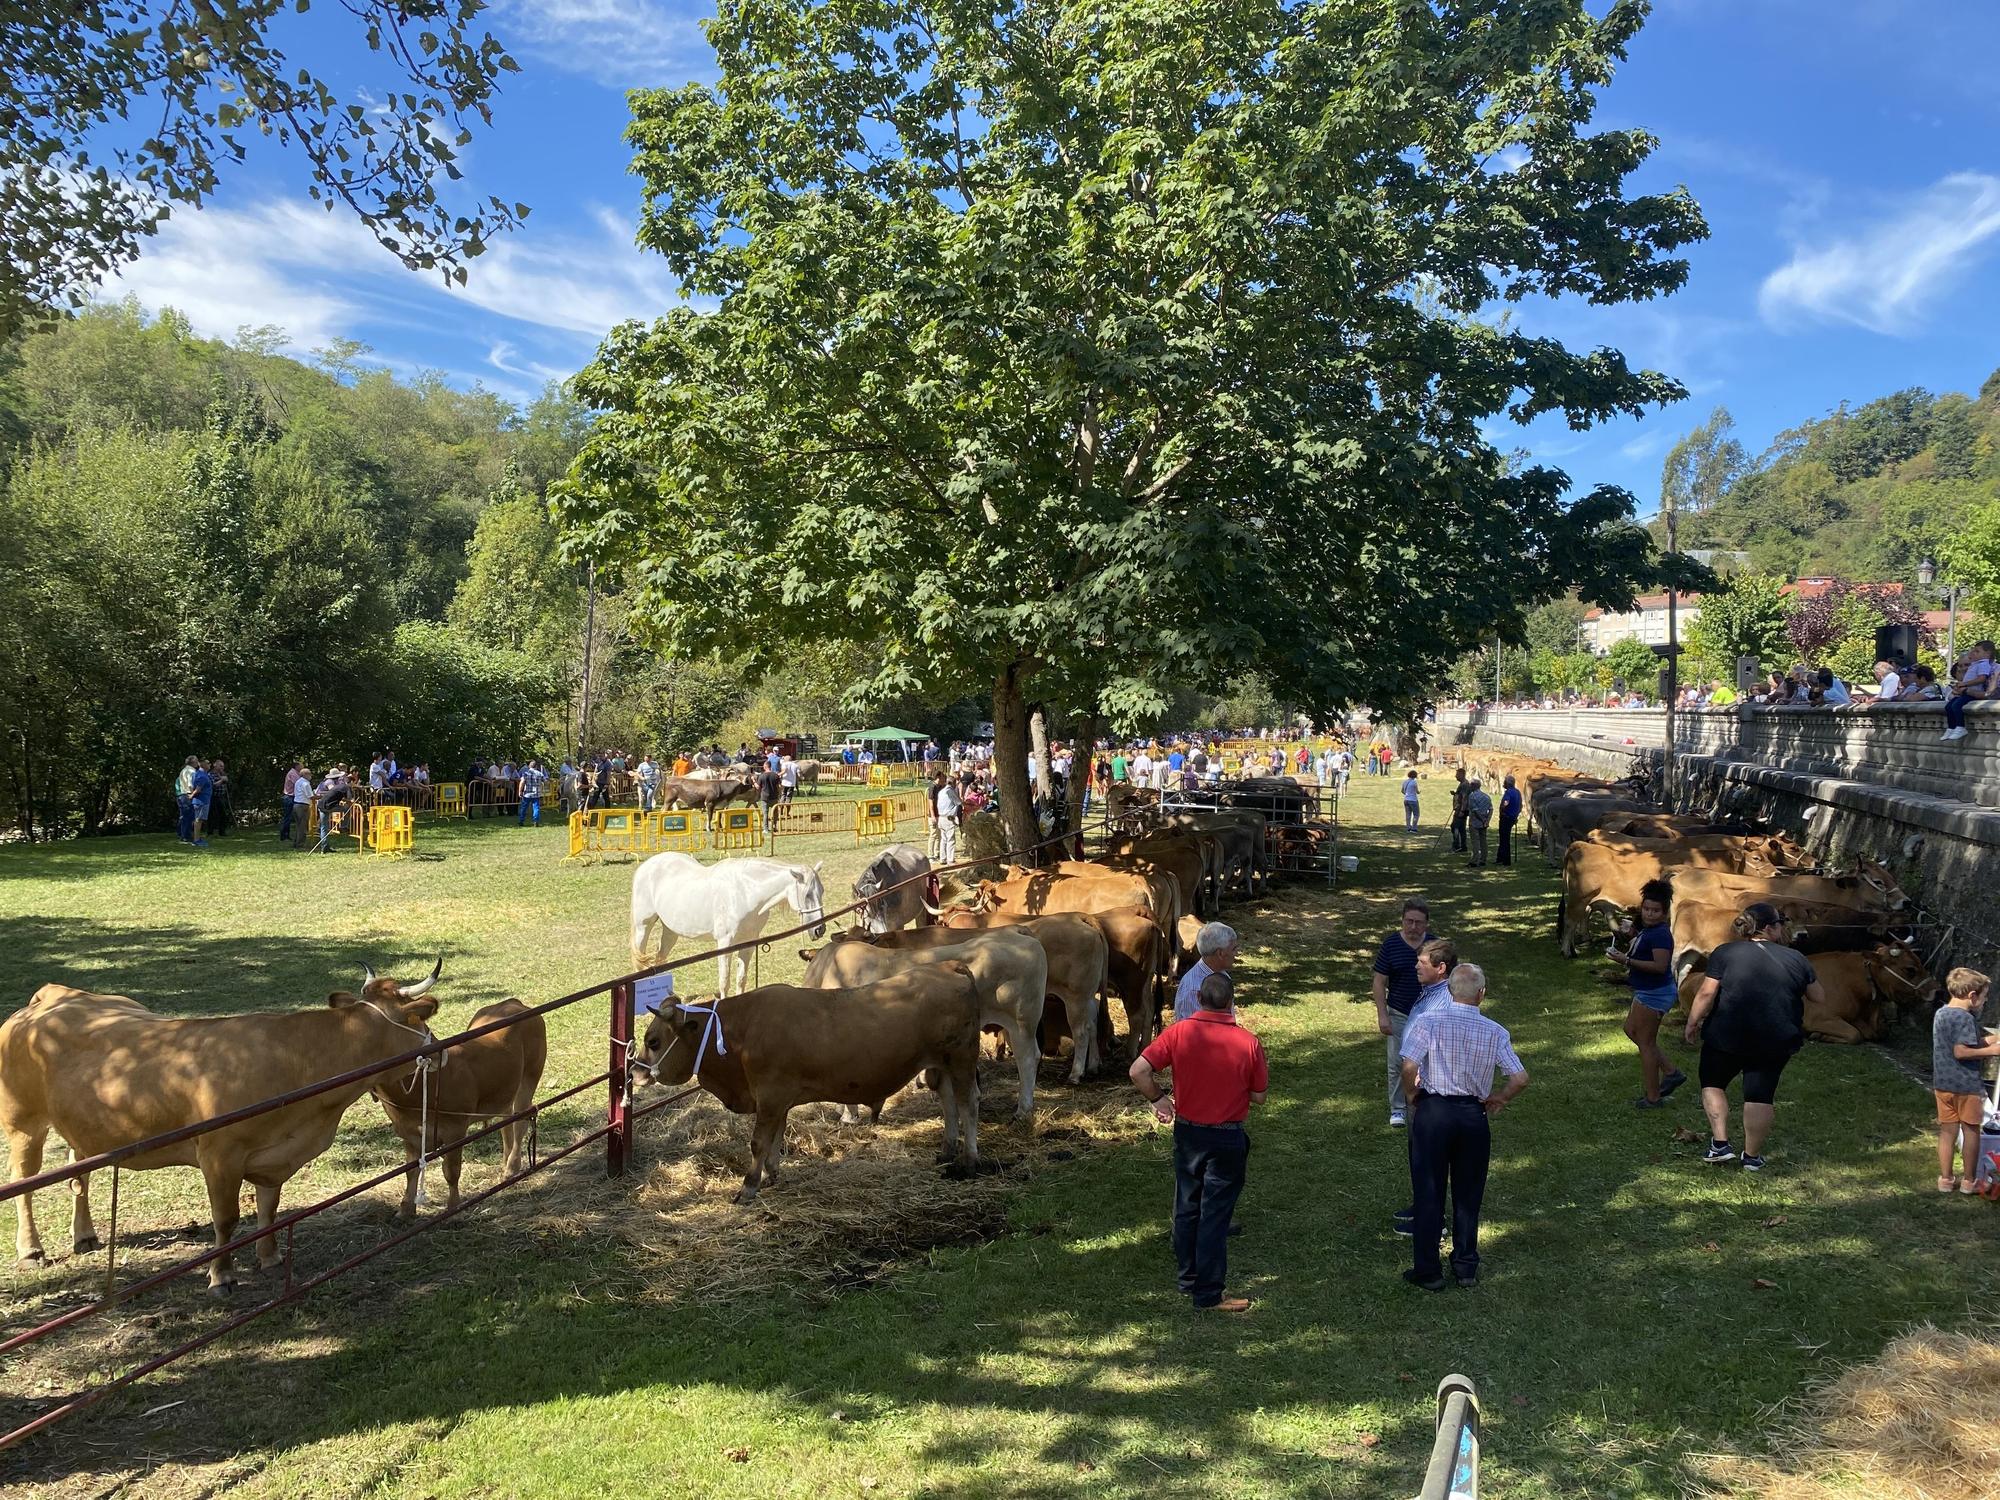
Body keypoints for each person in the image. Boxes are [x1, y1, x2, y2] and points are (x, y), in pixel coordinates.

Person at [1129, 971, 1268, 1313]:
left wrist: (1159, 1099)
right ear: (1231, 1002)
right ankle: (1208, 1293)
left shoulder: (1178, 1033)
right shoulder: (1248, 1042)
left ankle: (1187, 1277)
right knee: (1215, 1214)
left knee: (1187, 1205)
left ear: (1199, 1000)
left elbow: (1138, 1070)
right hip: (1227, 1136)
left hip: (1189, 1133)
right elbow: (1260, 1096)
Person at [1399, 963, 1528, 1290]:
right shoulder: (1495, 1031)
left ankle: (1428, 1271)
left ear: (1451, 990)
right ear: (1482, 994)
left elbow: (1409, 1064)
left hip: (1435, 1111)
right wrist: (1501, 1097)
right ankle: (1466, 1266)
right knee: (1469, 1193)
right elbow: (1520, 1077)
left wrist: (1413, 1094)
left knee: (1429, 1190)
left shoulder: (1428, 1022)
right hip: (1473, 1116)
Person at [1682, 902, 1825, 1170]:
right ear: (1770, 928)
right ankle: (1751, 1156)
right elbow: (1818, 996)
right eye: (1780, 923)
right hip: (1776, 1036)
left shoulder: (1724, 953)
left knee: (1713, 1083)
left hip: (1727, 1033)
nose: (1782, 928)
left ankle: (1720, 1144)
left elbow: (1706, 993)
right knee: (1760, 1095)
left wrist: (1692, 1021)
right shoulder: (1795, 958)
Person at [1611, 879, 1687, 1107]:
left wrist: (1626, 959)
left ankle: (1653, 1097)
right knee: (1631, 1031)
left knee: (1645, 1043)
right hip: (1646, 991)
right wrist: (1631, 933)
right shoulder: (1649, 929)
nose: (1649, 914)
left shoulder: (1661, 935)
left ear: (1664, 913)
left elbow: (1659, 966)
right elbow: (1643, 944)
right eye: (1646, 909)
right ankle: (1671, 1072)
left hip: (1655, 993)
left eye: (1655, 911)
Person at [1932, 967, 1999, 1193]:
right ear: (1972, 995)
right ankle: (1970, 1181)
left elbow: (1967, 1044)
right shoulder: (1965, 1018)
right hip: (1966, 1086)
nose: (1984, 1000)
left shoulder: (1942, 1013)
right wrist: (1995, 1051)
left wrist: (1992, 1041)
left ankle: (1945, 1180)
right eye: (1984, 996)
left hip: (1942, 1084)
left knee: (1947, 1132)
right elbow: (1961, 1052)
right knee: (1971, 1131)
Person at [1372, 899, 1435, 1127]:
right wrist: (1382, 1014)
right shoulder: (1391, 945)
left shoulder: (1434, 947)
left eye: (1418, 922)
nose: (1413, 927)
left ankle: (1425, 1100)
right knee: (1397, 1061)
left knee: (1429, 1059)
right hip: (1398, 1011)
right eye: (1409, 921)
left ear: (1426, 924)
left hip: (1429, 1013)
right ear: (1402, 921)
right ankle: (1398, 1108)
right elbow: (1379, 982)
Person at [1174, 923, 1240, 1022]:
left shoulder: (1221, 974)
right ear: (1220, 953)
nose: (1236, 953)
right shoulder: (1193, 989)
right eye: (1234, 949)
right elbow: (1191, 1033)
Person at [1943, 640, 1997, 742]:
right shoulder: (1976, 664)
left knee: (1956, 705)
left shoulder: (1983, 664)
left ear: (1987, 653)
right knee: (1949, 706)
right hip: (1966, 691)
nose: (1973, 653)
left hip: (1973, 692)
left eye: (1977, 651)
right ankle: (1951, 728)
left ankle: (1960, 727)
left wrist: (1965, 684)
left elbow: (1982, 679)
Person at [935, 772, 963, 863]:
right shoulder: (950, 791)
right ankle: (950, 859)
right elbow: (958, 802)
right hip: (948, 818)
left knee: (943, 839)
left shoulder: (941, 792)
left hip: (941, 817)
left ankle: (943, 858)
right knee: (950, 839)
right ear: (953, 783)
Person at [1464, 778, 1492, 867]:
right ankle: (1483, 859)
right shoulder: (1486, 796)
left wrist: (1483, 820)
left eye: (1470, 785)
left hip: (1475, 822)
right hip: (1484, 823)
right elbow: (1491, 809)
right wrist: (1487, 821)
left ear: (1473, 786)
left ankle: (1474, 860)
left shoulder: (1472, 796)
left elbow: (1475, 811)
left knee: (1475, 842)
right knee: (1483, 841)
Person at [186, 758, 213, 848]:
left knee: (198, 820)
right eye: (208, 763)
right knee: (198, 820)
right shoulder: (202, 775)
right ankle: (196, 840)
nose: (210, 764)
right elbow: (198, 788)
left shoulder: (199, 774)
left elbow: (192, 786)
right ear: (202, 764)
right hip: (202, 801)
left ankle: (197, 838)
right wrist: (191, 796)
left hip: (201, 800)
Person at [1495, 775, 1521, 866]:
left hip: (1506, 818)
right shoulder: (1517, 792)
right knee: (1503, 838)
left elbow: (1506, 803)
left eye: (1504, 782)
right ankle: (1500, 857)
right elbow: (1520, 806)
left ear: (1507, 783)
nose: (1503, 783)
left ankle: (1506, 860)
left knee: (1504, 838)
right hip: (1513, 818)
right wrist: (1516, 815)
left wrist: (1502, 809)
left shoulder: (1508, 793)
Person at [174, 756, 200, 843]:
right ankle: (186, 836)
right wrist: (194, 794)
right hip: (188, 794)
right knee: (189, 816)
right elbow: (190, 784)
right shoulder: (191, 771)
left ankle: (182, 833)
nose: (198, 762)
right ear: (193, 762)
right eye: (196, 761)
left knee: (184, 816)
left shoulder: (184, 770)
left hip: (182, 794)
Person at [291, 762, 313, 849]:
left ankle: (296, 843)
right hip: (303, 806)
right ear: (305, 775)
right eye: (309, 774)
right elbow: (310, 796)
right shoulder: (306, 783)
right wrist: (321, 797)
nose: (311, 776)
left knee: (298, 826)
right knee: (303, 826)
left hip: (296, 805)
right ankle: (300, 845)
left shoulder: (298, 782)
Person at [518, 759, 547, 827]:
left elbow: (522, 782)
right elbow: (545, 782)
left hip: (527, 794)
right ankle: (535, 821)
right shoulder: (539, 773)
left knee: (524, 808)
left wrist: (520, 791)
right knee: (536, 808)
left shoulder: (526, 773)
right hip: (536, 794)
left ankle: (521, 821)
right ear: (536, 766)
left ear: (529, 766)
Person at [1448, 768, 1470, 853]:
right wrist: (1455, 793)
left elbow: (1465, 799)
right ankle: (1463, 846)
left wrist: (1461, 811)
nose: (1455, 776)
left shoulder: (1464, 785)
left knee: (1455, 827)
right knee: (1461, 828)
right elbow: (1461, 795)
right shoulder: (1462, 784)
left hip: (1460, 810)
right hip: (1460, 809)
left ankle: (1456, 845)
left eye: (1457, 774)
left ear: (1462, 775)